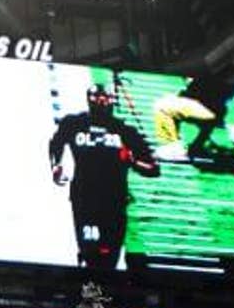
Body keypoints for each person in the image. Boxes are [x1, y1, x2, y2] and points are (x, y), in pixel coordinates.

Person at [46, 79, 161, 272]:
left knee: (110, 255)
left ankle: (106, 293)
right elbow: (55, 143)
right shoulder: (73, 123)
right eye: (96, 97)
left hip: (114, 202)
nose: (101, 101)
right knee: (90, 252)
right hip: (85, 199)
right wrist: (55, 166)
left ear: (112, 101)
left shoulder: (126, 131)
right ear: (89, 99)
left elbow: (153, 169)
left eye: (105, 97)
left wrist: (132, 161)